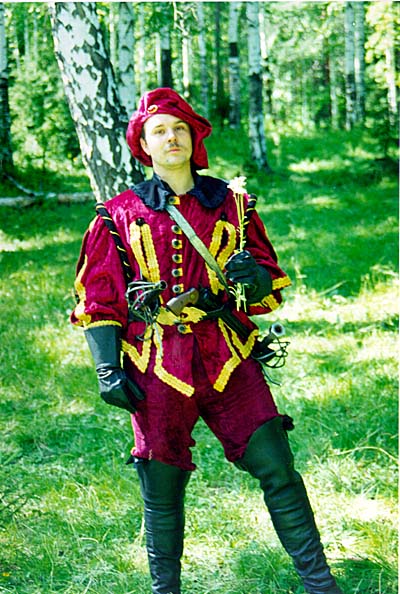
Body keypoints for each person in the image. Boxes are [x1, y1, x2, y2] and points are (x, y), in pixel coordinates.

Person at [71, 88, 343, 594]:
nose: (170, 137)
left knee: (276, 466)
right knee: (161, 487)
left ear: (194, 138)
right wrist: (107, 367)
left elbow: (266, 284)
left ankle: (321, 585)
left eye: (179, 128)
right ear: (144, 146)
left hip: (227, 356)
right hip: (156, 363)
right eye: (158, 131)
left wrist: (253, 279)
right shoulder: (116, 215)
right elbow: (100, 297)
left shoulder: (234, 206)